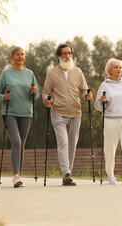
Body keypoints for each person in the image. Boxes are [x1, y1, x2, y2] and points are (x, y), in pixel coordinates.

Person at [43, 43, 92, 186]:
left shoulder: (78, 72)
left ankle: (68, 173)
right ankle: (66, 173)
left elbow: (84, 89)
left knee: (72, 145)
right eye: (64, 53)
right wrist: (47, 100)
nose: (67, 56)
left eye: (69, 53)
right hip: (58, 112)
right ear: (58, 56)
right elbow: (46, 91)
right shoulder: (52, 73)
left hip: (76, 113)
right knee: (63, 142)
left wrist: (87, 95)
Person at [0, 46, 40, 188]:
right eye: (17, 54)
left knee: (22, 144)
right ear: (12, 57)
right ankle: (15, 176)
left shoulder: (30, 73)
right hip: (9, 112)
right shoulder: (6, 74)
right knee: (16, 142)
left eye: (22, 54)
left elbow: (37, 95)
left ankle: (19, 176)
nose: (20, 57)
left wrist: (34, 92)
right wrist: (4, 97)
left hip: (26, 112)